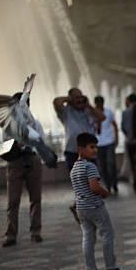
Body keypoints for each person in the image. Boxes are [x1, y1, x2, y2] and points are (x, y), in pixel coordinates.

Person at [70, 133, 130, 270]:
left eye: (96, 147)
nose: (95, 150)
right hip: (95, 206)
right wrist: (106, 193)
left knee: (88, 238)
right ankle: (111, 268)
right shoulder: (90, 166)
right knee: (107, 234)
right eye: (91, 147)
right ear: (80, 149)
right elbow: (94, 187)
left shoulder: (74, 169)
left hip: (81, 208)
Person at [53, 87, 105, 223]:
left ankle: (79, 207)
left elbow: (102, 117)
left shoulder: (88, 111)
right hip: (73, 152)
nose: (80, 100)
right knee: (81, 184)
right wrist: (70, 100)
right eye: (76, 98)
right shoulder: (65, 113)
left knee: (93, 182)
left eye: (82, 97)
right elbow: (56, 102)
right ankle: (84, 211)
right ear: (70, 100)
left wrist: (88, 105)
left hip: (90, 154)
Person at [3, 92, 45, 247]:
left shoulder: (36, 124)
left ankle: (36, 232)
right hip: (15, 161)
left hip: (32, 160)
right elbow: (4, 144)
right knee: (13, 201)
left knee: (36, 198)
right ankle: (11, 234)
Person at [94, 96, 119, 195]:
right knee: (103, 166)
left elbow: (115, 125)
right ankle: (108, 185)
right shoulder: (93, 114)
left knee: (111, 164)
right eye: (97, 103)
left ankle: (114, 183)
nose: (99, 105)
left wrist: (116, 138)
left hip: (109, 142)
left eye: (101, 103)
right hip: (98, 144)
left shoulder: (109, 112)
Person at [119, 93, 136, 188]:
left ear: (129, 101)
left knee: (129, 158)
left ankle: (128, 175)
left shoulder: (125, 112)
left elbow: (123, 127)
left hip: (129, 139)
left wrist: (128, 135)